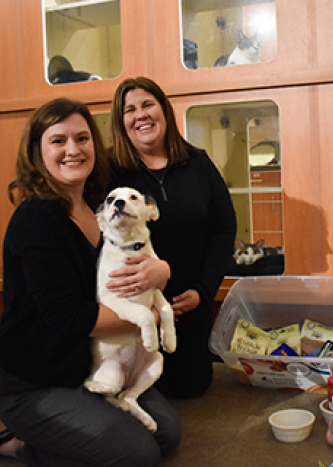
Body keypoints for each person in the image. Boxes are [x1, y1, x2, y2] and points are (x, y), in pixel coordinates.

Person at [0, 98, 182, 465]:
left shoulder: (101, 207)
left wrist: (163, 271)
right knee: (138, 454)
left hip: (88, 365)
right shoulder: (36, 219)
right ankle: (25, 443)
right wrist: (153, 318)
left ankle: (65, 433)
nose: (73, 149)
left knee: (168, 434)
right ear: (36, 152)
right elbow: (69, 318)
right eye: (58, 141)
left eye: (82, 138)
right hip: (34, 382)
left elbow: (135, 273)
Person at [106, 77, 237, 399]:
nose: (141, 115)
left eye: (148, 105)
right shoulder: (108, 170)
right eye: (130, 110)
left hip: (189, 305)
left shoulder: (199, 164)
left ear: (164, 110)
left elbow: (224, 229)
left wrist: (203, 292)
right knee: (144, 389)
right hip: (134, 306)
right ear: (121, 121)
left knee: (193, 387)